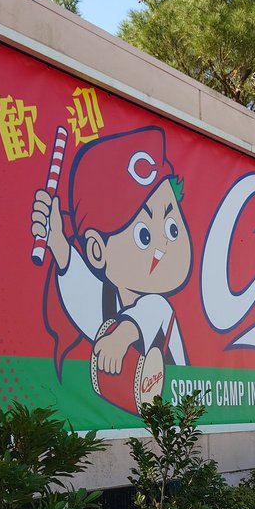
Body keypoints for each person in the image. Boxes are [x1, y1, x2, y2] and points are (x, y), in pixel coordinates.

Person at [31, 126, 192, 406]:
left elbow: (154, 310)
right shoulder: (107, 300)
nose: (162, 246)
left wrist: (123, 335)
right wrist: (58, 243)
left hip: (182, 422)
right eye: (144, 235)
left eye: (172, 228)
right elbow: (82, 295)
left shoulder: (158, 309)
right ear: (96, 250)